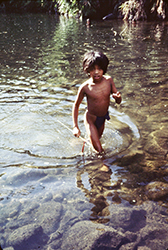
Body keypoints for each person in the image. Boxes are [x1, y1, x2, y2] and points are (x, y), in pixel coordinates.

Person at [72, 51, 121, 154]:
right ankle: (103, 166)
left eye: (99, 68)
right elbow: (76, 106)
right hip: (91, 119)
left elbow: (118, 101)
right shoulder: (85, 87)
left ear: (104, 69)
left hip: (102, 118)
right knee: (99, 150)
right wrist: (75, 127)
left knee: (97, 140)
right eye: (93, 69)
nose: (96, 72)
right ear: (88, 70)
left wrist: (118, 98)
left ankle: (83, 142)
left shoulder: (109, 81)